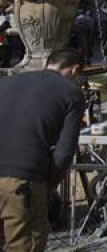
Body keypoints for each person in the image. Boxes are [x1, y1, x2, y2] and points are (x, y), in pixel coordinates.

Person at [0, 50, 85, 252]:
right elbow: (65, 151)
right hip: (22, 178)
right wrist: (47, 185)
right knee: (25, 243)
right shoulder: (71, 93)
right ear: (75, 69)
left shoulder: (8, 83)